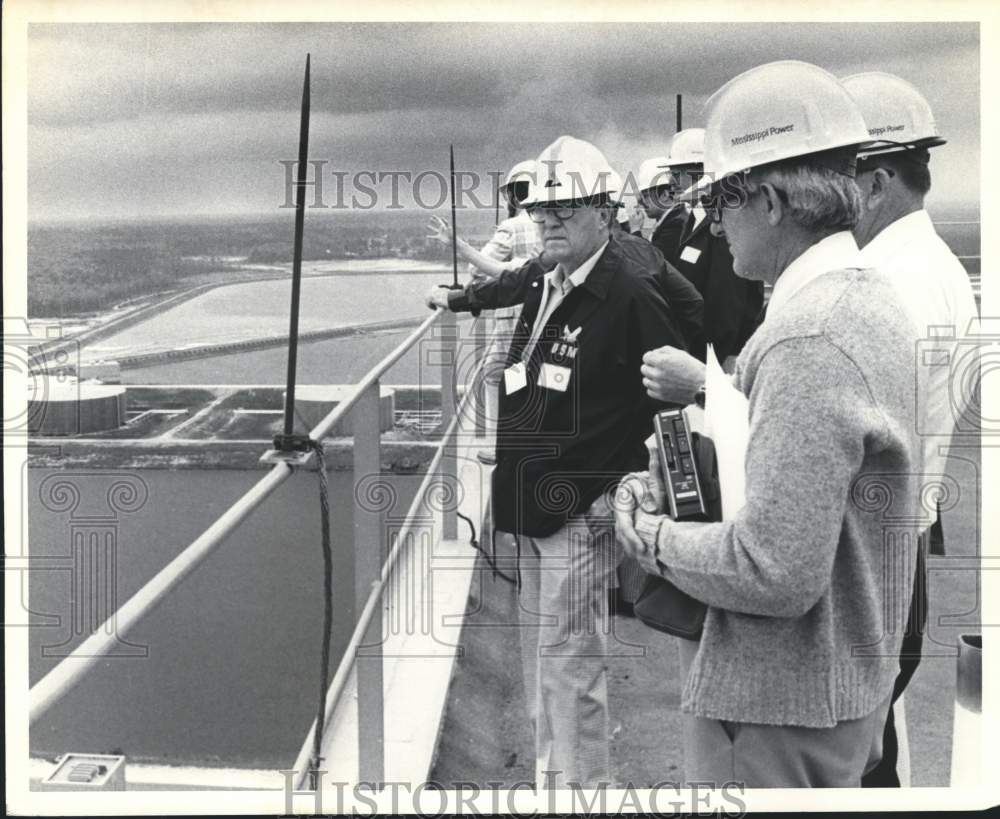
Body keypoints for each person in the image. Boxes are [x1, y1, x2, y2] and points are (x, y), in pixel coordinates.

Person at [616, 61, 923, 788]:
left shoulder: (807, 336)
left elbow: (774, 569)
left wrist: (649, 535)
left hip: (776, 710)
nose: (713, 222)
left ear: (774, 201)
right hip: (828, 696)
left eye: (723, 197)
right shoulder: (863, 301)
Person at [425, 135, 689, 788]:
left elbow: (673, 396)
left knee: (571, 670)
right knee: (544, 662)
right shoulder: (551, 278)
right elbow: (511, 301)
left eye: (564, 211)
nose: (547, 222)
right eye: (541, 213)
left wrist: (637, 487)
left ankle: (581, 795)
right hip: (531, 500)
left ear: (604, 210)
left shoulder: (627, 290)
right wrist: (459, 299)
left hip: (582, 507)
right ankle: (553, 787)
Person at [841, 71, 980, 788]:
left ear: (877, 179)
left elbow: (865, 434)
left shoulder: (899, 279)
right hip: (894, 547)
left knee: (857, 762)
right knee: (874, 749)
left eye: (836, 171)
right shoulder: (919, 264)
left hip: (876, 557)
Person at [428, 160, 544, 465]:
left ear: (515, 196)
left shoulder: (511, 226)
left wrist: (469, 291)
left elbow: (478, 270)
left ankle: (500, 443)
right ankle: (527, 437)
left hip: (510, 315)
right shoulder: (550, 221)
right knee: (531, 375)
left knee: (496, 375)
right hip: (543, 312)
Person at [659, 128, 764, 368]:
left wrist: (709, 365)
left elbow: (727, 307)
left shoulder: (722, 225)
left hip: (713, 360)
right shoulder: (694, 220)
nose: (671, 181)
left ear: (698, 172)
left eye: (677, 173)